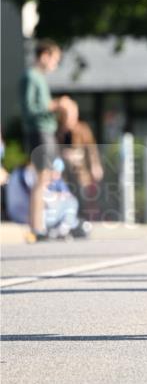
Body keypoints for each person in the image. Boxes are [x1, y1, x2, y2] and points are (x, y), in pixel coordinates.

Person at [19, 39, 64, 240]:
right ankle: (36, 227)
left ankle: (39, 226)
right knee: (41, 179)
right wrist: (55, 106)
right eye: (55, 59)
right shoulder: (31, 76)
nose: (55, 65)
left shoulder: (39, 78)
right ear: (45, 55)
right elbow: (29, 109)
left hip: (46, 131)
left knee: (46, 179)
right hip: (38, 132)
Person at [56, 99, 104, 220]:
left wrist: (95, 165)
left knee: (83, 196)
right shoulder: (58, 131)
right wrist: (65, 154)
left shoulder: (82, 129)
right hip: (63, 173)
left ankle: (82, 218)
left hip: (80, 172)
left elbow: (91, 149)